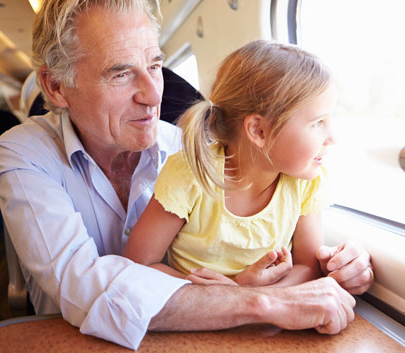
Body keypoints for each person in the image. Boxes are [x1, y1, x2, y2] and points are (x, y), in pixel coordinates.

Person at [0, 0, 373, 350]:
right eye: (121, 73)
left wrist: (339, 262)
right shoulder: (24, 154)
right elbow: (81, 287)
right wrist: (258, 301)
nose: (152, 94)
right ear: (56, 86)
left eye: (156, 66)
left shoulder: (192, 149)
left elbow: (275, 237)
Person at [123, 40, 336, 289]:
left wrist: (249, 294)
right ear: (258, 131)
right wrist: (227, 294)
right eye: (317, 123)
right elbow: (138, 264)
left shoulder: (307, 181)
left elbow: (308, 267)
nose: (332, 137)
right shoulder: (190, 174)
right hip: (197, 316)